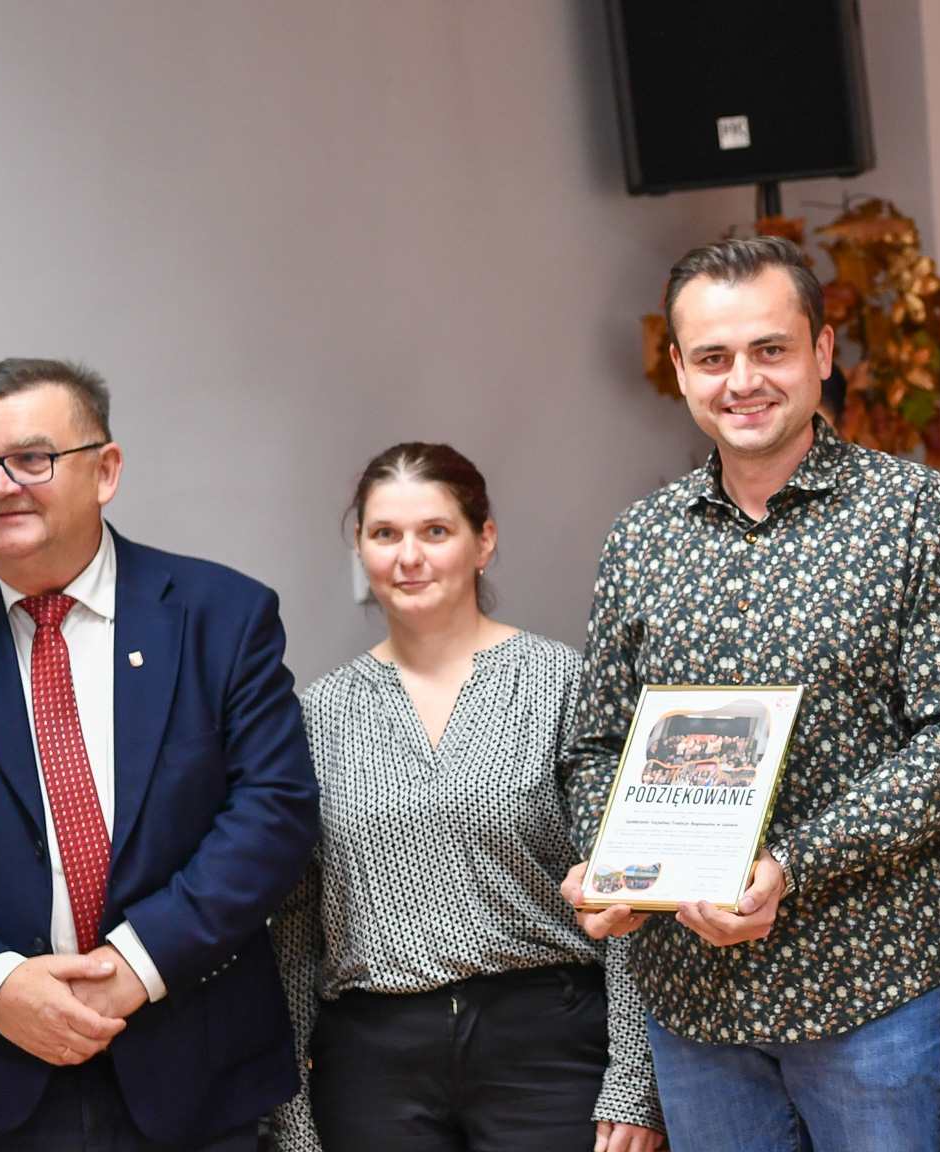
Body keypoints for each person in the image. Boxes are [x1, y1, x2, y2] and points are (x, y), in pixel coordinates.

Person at [557, 235, 940, 1152]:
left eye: (770, 349)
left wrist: (791, 864)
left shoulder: (915, 515)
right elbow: (595, 744)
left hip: (871, 989)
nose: (743, 381)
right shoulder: (640, 540)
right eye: (714, 357)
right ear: (680, 370)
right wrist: (617, 863)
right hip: (694, 1005)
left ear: (823, 352)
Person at [0, 359, 320, 1150]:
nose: (0, 486)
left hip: (190, 1063)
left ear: (106, 470)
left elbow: (273, 812)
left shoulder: (221, 615)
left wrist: (137, 965)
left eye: (32, 458)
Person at [269, 443, 663, 1152]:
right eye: (385, 533)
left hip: (546, 1045)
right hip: (373, 1063)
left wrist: (634, 1078)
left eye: (435, 531)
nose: (408, 556)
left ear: (484, 542)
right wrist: (292, 1115)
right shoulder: (316, 715)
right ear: (359, 546)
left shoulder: (563, 684)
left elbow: (628, 894)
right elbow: (296, 928)